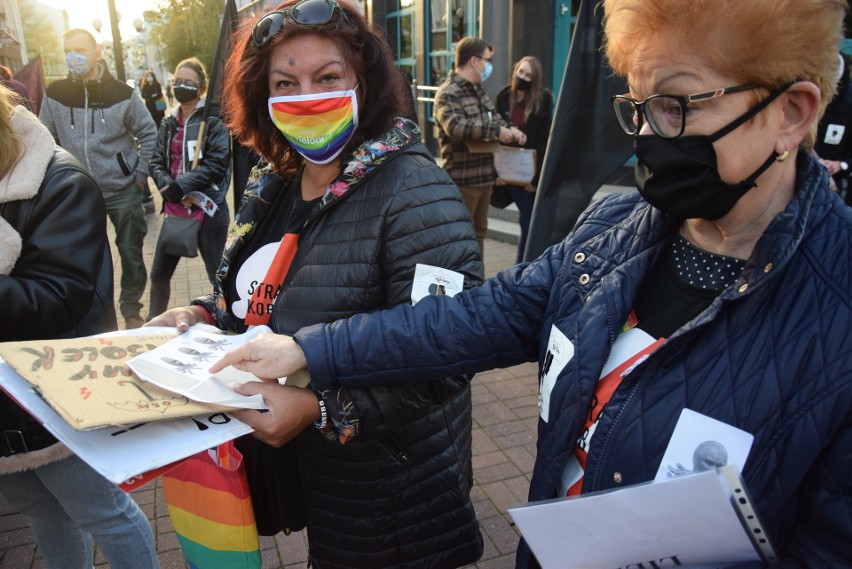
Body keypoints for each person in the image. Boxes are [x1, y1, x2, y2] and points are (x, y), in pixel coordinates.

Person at [209, 0, 852, 566]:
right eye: (637, 107)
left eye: (675, 105)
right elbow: (471, 319)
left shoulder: (837, 309)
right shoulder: (612, 231)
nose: (651, 137)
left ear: (793, 113)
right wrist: (309, 352)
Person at [147, 0, 484, 567]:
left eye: (328, 77)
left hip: (390, 491)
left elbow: (450, 349)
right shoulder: (273, 178)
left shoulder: (416, 190)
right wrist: (204, 315)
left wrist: (319, 408)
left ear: (364, 81)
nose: (308, 96)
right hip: (316, 480)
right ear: (264, 96)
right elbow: (260, 295)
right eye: (287, 82)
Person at [0, 85, 159, 569]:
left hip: (53, 397)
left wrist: (133, 178)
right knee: (42, 511)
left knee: (101, 512)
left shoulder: (59, 181)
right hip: (7, 412)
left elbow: (58, 299)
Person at [39, 28, 156, 330]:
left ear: (97, 52)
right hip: (76, 195)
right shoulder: (55, 94)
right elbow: (44, 138)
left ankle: (131, 310)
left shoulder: (122, 93)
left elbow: (148, 133)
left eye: (79, 49)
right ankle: (94, 317)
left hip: (122, 191)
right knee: (83, 260)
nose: (72, 56)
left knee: (131, 254)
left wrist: (139, 177)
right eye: (67, 50)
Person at [146, 57, 231, 320]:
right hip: (176, 212)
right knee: (159, 273)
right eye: (177, 81)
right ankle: (151, 326)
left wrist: (183, 187)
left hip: (207, 211)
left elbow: (217, 163)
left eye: (189, 82)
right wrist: (167, 187)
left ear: (202, 88)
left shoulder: (213, 121)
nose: (181, 86)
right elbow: (155, 160)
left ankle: (227, 323)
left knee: (218, 277)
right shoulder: (168, 122)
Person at [434, 36, 526, 254]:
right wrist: (496, 132)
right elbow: (455, 128)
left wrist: (510, 130)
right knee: (458, 239)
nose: (489, 66)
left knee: (478, 235)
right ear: (474, 61)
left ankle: (476, 283)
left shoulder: (479, 90)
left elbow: (494, 118)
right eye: (487, 60)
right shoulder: (448, 92)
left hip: (484, 179)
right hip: (462, 181)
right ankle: (460, 286)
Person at [495, 56, 554, 262]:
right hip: (507, 167)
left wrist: (536, 178)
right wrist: (497, 172)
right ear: (515, 70)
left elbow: (545, 139)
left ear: (535, 79)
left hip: (529, 170)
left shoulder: (542, 100)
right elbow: (495, 133)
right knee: (527, 220)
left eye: (528, 75)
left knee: (528, 222)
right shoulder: (504, 96)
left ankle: (522, 267)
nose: (523, 77)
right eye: (521, 72)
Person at [814, 52, 852, 204]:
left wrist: (839, 165)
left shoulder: (848, 106)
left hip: (836, 186)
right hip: (802, 179)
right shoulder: (807, 101)